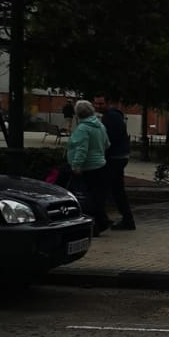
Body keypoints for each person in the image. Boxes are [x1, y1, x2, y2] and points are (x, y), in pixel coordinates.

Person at [66, 99, 112, 236]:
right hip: (100, 165)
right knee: (97, 197)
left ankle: (93, 225)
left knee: (86, 198)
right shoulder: (100, 126)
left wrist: (76, 165)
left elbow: (81, 149)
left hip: (88, 167)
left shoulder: (83, 128)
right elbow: (107, 144)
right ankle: (101, 222)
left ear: (77, 114)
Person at [92, 94, 135, 230]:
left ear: (108, 103)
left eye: (101, 104)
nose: (98, 106)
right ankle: (127, 220)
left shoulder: (111, 117)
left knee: (103, 189)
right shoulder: (111, 116)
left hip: (114, 158)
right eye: (96, 104)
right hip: (119, 157)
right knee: (117, 190)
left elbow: (109, 140)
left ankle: (101, 221)